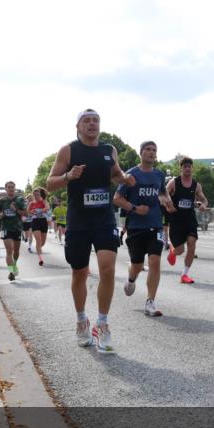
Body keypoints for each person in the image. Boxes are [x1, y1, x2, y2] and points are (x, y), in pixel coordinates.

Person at [46, 109, 135, 351]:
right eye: (87, 121)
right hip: (79, 221)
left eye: (95, 120)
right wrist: (68, 176)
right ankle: (81, 320)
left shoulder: (109, 150)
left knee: (107, 268)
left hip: (104, 218)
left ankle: (102, 323)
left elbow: (115, 174)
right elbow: (50, 183)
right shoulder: (69, 150)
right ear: (78, 126)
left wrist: (125, 179)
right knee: (80, 272)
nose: (92, 124)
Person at [114, 140, 172, 318]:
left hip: (155, 224)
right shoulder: (131, 174)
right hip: (136, 227)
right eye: (148, 149)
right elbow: (117, 198)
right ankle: (131, 278)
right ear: (141, 153)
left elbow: (162, 192)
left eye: (154, 150)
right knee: (137, 265)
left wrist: (166, 200)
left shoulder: (159, 175)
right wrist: (134, 208)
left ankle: (150, 302)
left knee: (155, 262)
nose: (152, 152)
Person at [165, 157, 209, 284]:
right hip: (176, 220)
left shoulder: (196, 185)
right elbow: (163, 194)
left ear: (192, 168)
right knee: (180, 251)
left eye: (189, 166)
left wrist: (204, 205)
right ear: (181, 168)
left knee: (192, 243)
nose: (188, 169)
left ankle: (184, 274)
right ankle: (173, 250)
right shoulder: (174, 182)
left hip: (190, 219)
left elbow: (205, 200)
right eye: (185, 166)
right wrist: (168, 204)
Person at [0, 182, 27, 281]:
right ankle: (11, 271)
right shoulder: (2, 201)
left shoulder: (20, 200)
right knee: (9, 251)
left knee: (16, 251)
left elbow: (26, 213)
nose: (11, 189)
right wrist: (0, 215)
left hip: (17, 228)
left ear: (15, 188)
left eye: (12, 187)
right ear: (6, 189)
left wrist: (16, 210)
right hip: (6, 228)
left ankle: (14, 264)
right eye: (9, 187)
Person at [27, 188, 50, 266]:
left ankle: (38, 249)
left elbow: (47, 208)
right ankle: (40, 259)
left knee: (42, 243)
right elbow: (28, 212)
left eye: (38, 195)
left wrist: (42, 210)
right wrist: (31, 212)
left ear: (40, 195)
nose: (36, 196)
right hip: (35, 222)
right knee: (38, 240)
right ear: (33, 195)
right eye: (35, 195)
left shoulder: (43, 201)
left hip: (43, 221)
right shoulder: (31, 203)